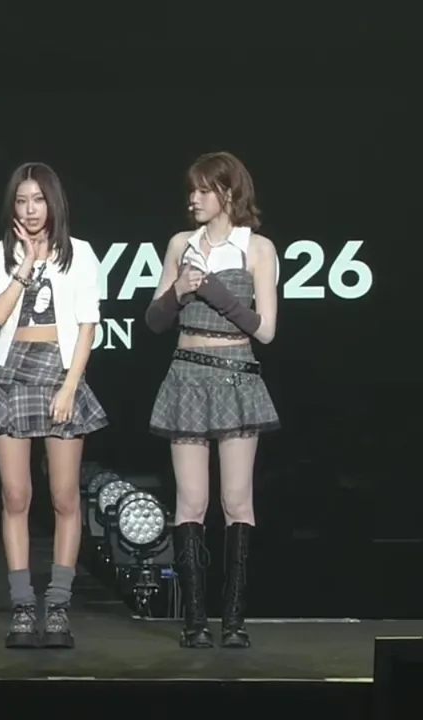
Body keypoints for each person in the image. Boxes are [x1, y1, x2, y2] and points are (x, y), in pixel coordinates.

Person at [145, 151, 279, 650]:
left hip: (236, 375)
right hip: (187, 373)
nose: (193, 199)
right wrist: (179, 290)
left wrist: (219, 293)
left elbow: (266, 330)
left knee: (236, 499)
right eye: (192, 190)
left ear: (227, 192)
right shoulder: (181, 244)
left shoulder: (256, 248)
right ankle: (195, 621)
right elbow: (154, 321)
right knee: (191, 500)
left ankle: (235, 622)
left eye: (203, 190)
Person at [0, 162, 108, 650]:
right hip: (10, 374)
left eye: (38, 200)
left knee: (65, 496)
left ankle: (58, 606)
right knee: (16, 496)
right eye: (21, 201)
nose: (30, 210)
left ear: (53, 202)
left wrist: (71, 386)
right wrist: (25, 265)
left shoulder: (81, 253)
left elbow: (88, 324)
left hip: (60, 372)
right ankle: (23, 606)